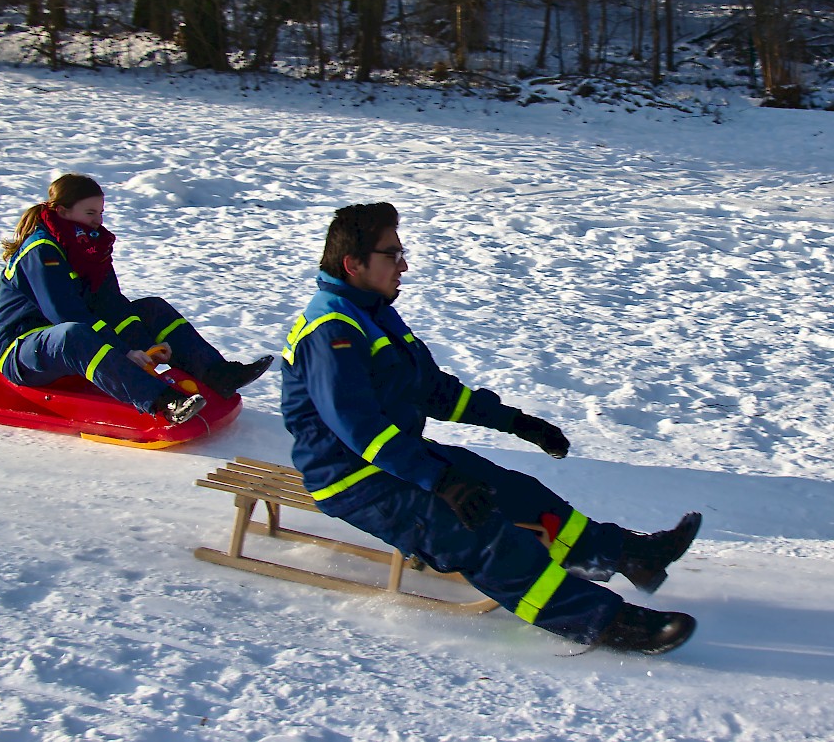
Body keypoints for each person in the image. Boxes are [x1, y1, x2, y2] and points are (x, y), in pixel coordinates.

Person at [280, 202, 701, 654]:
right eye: (392, 255)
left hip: (397, 461)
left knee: (517, 492)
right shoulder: (331, 331)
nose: (404, 265)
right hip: (353, 478)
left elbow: (433, 390)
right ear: (354, 264)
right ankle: (605, 622)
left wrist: (516, 423)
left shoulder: (373, 312)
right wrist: (441, 482)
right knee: (482, 535)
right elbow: (359, 430)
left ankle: (628, 555)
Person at [0, 173, 272, 425]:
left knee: (151, 308)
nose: (97, 221)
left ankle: (218, 374)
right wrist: (122, 351)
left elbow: (110, 304)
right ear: (62, 212)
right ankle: (164, 402)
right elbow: (64, 313)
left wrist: (144, 344)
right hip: (23, 350)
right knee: (73, 333)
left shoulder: (89, 249)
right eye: (90, 213)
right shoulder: (41, 251)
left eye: (100, 212)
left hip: (71, 339)